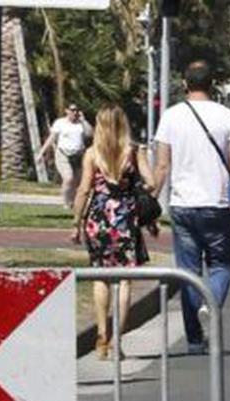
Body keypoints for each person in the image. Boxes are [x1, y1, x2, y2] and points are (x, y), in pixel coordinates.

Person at [151, 59, 230, 354]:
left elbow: (162, 166)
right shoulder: (227, 117)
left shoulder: (171, 117)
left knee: (188, 272)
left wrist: (150, 202)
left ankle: (195, 341)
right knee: (221, 264)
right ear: (212, 85)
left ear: (185, 84)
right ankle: (210, 304)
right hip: (216, 203)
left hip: (183, 205)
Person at [70, 105, 155, 361]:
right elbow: (151, 183)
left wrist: (76, 222)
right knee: (125, 280)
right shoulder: (133, 151)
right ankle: (118, 337)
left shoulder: (92, 154)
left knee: (100, 277)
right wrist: (135, 187)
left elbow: (84, 190)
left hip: (98, 219)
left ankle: (101, 334)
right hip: (126, 218)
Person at [40, 103, 93, 209]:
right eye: (72, 110)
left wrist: (83, 121)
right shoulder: (60, 123)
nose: (75, 112)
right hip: (63, 154)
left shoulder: (81, 124)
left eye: (77, 110)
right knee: (68, 178)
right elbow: (52, 138)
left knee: (78, 181)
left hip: (78, 155)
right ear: (67, 111)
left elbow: (90, 134)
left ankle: (74, 201)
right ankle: (66, 202)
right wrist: (42, 152)